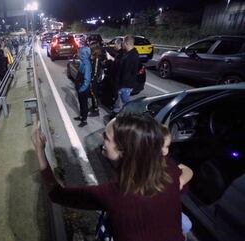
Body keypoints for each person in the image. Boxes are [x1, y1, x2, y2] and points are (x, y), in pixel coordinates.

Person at [32, 112, 186, 241]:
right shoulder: (168, 168)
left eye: (106, 137)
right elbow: (185, 172)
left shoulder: (114, 193)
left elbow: (57, 194)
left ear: (124, 151)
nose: (101, 136)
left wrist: (40, 152)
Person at [161, 125, 193, 239]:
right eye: (160, 147)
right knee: (185, 225)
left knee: (187, 225)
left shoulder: (167, 160)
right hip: (160, 212)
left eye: (167, 146)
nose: (165, 151)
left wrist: (181, 181)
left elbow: (187, 170)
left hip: (170, 207)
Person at [112, 35, 139, 115]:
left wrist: (119, 85)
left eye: (123, 42)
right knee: (123, 102)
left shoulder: (131, 56)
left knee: (127, 104)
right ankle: (120, 114)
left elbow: (126, 73)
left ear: (126, 43)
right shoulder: (130, 53)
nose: (122, 44)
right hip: (125, 84)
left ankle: (130, 117)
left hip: (125, 85)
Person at [73, 42, 92, 127]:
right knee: (81, 103)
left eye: (80, 53)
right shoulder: (82, 62)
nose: (79, 54)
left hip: (83, 88)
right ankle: (81, 116)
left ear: (84, 54)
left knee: (84, 104)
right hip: (80, 87)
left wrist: (81, 89)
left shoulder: (87, 64)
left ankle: (84, 120)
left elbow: (87, 80)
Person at [102, 38, 124, 110]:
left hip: (116, 78)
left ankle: (116, 109)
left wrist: (111, 59)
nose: (114, 45)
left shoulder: (121, 54)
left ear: (118, 44)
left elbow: (118, 64)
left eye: (115, 44)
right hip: (114, 77)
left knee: (117, 96)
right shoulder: (119, 53)